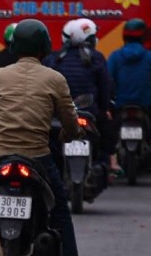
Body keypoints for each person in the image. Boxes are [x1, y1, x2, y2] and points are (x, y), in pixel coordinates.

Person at [0, 17, 90, 256]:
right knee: (60, 213)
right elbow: (69, 122)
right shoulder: (55, 79)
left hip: (0, 158)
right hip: (38, 159)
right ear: (45, 47)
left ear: (14, 46)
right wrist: (71, 135)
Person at [47, 17, 114, 174]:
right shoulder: (96, 58)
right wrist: (105, 108)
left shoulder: (53, 59)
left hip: (58, 116)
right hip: (89, 113)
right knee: (107, 135)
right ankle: (105, 164)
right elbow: (105, 87)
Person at [108, 17, 151, 126]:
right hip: (144, 104)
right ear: (143, 37)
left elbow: (107, 79)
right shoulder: (150, 57)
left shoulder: (115, 57)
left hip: (121, 104)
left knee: (111, 134)